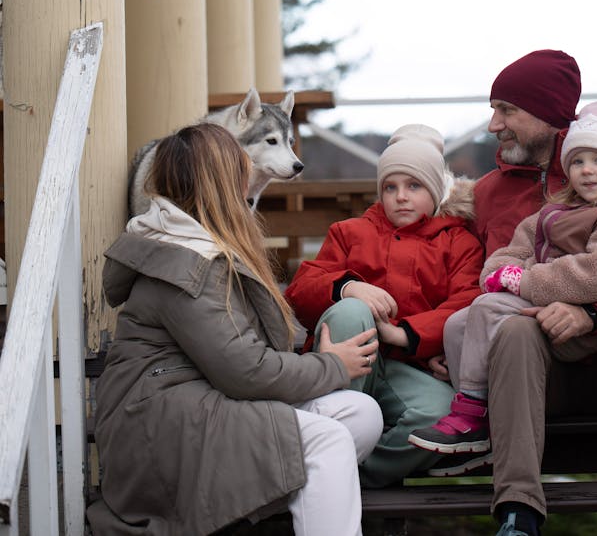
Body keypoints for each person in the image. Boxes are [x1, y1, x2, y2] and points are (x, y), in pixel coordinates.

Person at [423, 50, 597, 536]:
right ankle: (516, 517)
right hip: (528, 373)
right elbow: (468, 279)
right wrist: (441, 344)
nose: (492, 125)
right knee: (514, 334)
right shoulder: (489, 193)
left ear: (547, 115)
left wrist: (593, 313)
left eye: (506, 110)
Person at [86, 122, 384, 536]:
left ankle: (277, 510)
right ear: (222, 182)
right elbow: (246, 371)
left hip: (198, 402)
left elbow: (239, 351)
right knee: (327, 442)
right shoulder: (184, 260)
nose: (249, 173)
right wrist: (332, 366)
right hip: (162, 427)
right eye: (240, 166)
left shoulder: (192, 241)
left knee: (361, 413)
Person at [408, 100, 597, 453]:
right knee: (458, 325)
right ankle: (473, 398)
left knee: (488, 309)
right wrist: (500, 272)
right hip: (542, 296)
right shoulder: (559, 209)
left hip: (584, 322)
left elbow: (596, 272)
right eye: (577, 162)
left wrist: (523, 280)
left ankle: (474, 411)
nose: (587, 171)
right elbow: (515, 247)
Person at [285, 123, 485, 487]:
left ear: (436, 189)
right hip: (346, 361)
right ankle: (334, 431)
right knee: (352, 310)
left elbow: (466, 301)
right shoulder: (350, 232)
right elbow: (300, 290)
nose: (401, 197)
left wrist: (406, 333)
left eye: (414, 186)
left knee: (438, 414)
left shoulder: (458, 242)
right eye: (390, 187)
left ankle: (353, 475)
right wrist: (347, 288)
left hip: (404, 367)